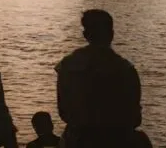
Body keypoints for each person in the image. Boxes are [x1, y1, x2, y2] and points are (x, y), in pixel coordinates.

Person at [55, 9, 143, 148]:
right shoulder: (124, 69)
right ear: (111, 34)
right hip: (116, 140)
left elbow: (63, 110)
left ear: (85, 35)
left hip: (77, 139)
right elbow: (135, 117)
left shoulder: (68, 66)